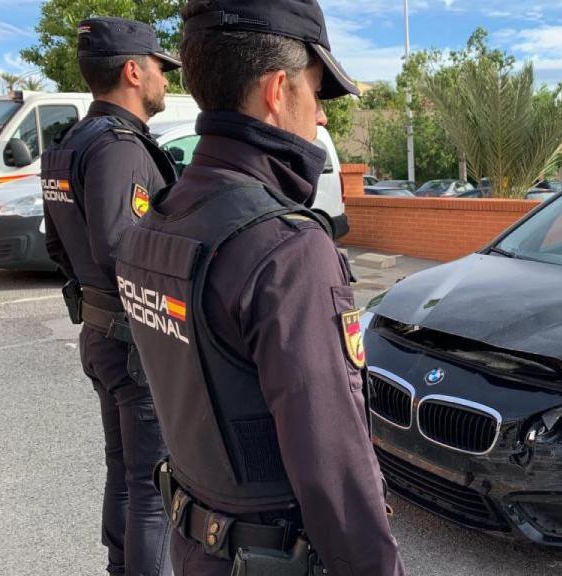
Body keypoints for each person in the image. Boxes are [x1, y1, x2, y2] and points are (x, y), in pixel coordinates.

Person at [113, 1, 405, 575]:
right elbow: (336, 473)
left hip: (196, 545)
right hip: (270, 557)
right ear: (277, 91)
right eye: (317, 93)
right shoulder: (285, 248)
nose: (321, 117)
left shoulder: (157, 223)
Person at [41, 17, 180, 576]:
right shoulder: (121, 147)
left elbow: (58, 247)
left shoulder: (70, 143)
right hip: (134, 342)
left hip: (100, 335)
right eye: (159, 69)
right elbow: (126, 251)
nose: (165, 80)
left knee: (124, 472)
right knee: (154, 489)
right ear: (132, 71)